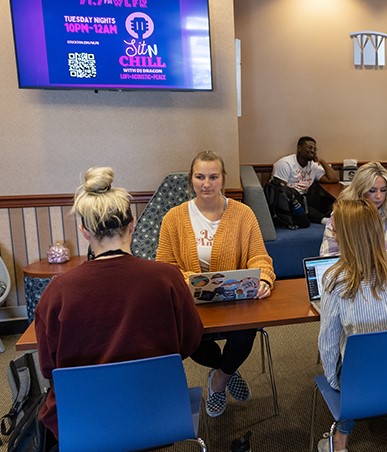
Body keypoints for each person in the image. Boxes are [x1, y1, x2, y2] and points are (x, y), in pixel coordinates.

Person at [35, 167, 204, 444]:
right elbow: (191, 341)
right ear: (132, 224)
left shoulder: (58, 291)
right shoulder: (167, 278)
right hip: (160, 412)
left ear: (85, 231)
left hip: (83, 422)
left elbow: (48, 367)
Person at [157, 150, 276, 417]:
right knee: (192, 341)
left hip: (236, 301)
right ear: (191, 179)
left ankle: (219, 380)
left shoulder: (243, 214)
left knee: (246, 331)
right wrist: (191, 281)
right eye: (200, 177)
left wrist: (264, 279)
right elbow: (165, 267)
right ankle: (227, 369)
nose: (206, 183)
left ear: (223, 179)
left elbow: (259, 256)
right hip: (192, 302)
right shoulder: (173, 218)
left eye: (213, 177)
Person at [317, 199, 387, 452]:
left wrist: (336, 384)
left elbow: (328, 345)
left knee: (350, 358)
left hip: (362, 383)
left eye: (335, 229)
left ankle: (340, 441)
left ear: (344, 236)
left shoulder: (335, 281)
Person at [272, 136, 339, 223]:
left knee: (331, 202)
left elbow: (333, 179)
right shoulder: (285, 164)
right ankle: (324, 220)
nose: (312, 151)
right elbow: (280, 193)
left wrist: (322, 161)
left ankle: (335, 219)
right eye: (309, 148)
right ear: (299, 148)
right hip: (290, 200)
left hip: (305, 197)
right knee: (302, 205)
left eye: (315, 149)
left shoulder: (312, 166)